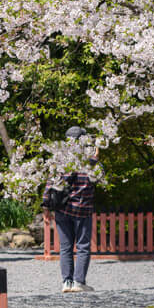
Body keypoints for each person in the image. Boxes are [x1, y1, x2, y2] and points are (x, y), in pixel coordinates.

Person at [43, 126, 96, 294]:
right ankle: (79, 282)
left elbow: (50, 183)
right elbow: (97, 180)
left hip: (63, 209)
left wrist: (46, 204)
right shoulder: (89, 160)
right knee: (82, 246)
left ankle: (66, 282)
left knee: (65, 247)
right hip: (82, 209)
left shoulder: (60, 159)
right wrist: (95, 160)